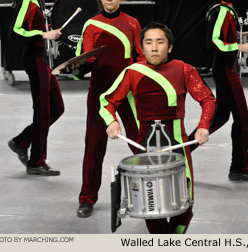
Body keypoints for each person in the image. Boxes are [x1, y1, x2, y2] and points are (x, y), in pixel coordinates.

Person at [101, 22, 216, 233]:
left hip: (179, 145)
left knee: (186, 204)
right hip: (144, 148)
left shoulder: (183, 69)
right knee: (150, 205)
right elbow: (106, 101)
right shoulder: (132, 72)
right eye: (149, 43)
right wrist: (112, 121)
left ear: (170, 47)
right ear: (142, 47)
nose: (154, 48)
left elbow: (207, 99)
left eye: (160, 42)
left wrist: (203, 126)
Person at [75, 0, 145, 218]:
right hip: (99, 93)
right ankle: (87, 197)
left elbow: (141, 56)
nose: (110, 0)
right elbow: (84, 57)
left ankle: (150, 191)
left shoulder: (132, 23)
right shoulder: (91, 24)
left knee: (139, 141)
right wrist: (82, 67)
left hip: (127, 91)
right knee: (94, 144)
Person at [189, 0, 248, 181]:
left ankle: (181, 150)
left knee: (221, 117)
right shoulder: (222, 9)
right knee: (242, 119)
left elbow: (224, 37)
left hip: (227, 69)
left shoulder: (227, 8)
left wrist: (240, 36)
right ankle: (240, 168)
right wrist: (240, 47)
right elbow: (213, 42)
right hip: (226, 71)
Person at [8, 0, 64, 176]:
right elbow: (15, 31)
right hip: (35, 59)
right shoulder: (27, 1)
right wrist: (44, 35)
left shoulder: (39, 1)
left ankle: (22, 141)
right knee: (43, 111)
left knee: (57, 108)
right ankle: (36, 161)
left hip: (45, 59)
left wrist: (51, 35)